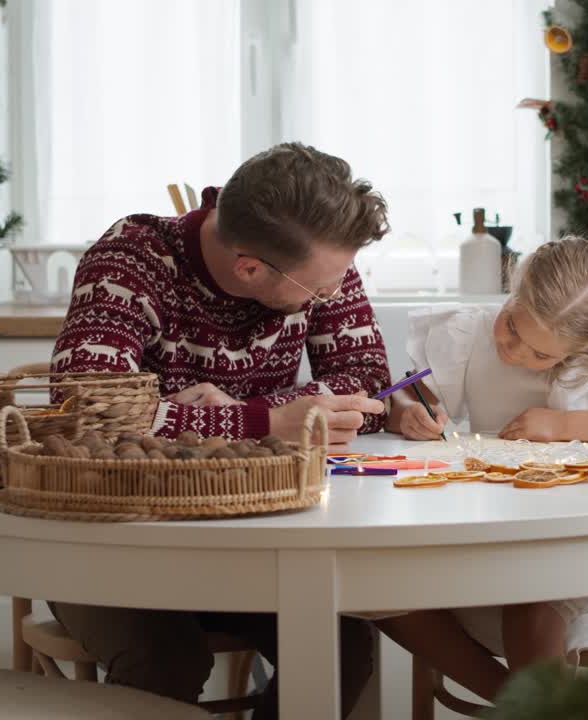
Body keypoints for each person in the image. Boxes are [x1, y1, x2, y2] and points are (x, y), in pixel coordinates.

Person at [48, 142, 391, 718]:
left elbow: (366, 382)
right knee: (169, 659)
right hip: (115, 541)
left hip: (256, 544)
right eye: (321, 291)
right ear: (250, 267)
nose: (334, 294)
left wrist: (236, 409)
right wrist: (263, 422)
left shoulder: (318, 259)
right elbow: (86, 412)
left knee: (344, 644)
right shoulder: (129, 261)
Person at [381, 236, 588, 701]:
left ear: (578, 349)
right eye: (512, 327)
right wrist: (408, 412)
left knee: (531, 602)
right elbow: (410, 396)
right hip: (489, 535)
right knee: (382, 591)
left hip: (577, 543)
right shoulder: (470, 332)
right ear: (512, 287)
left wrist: (560, 422)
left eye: (540, 355)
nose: (515, 352)